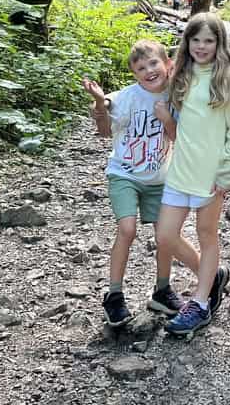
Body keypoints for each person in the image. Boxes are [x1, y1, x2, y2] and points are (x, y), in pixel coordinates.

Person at [82, 39, 201, 328]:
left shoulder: (176, 97)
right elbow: (105, 120)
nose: (148, 71)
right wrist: (100, 101)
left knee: (166, 235)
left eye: (152, 64)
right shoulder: (128, 97)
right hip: (124, 174)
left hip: (160, 178)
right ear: (134, 74)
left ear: (168, 65)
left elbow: (180, 140)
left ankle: (163, 289)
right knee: (127, 228)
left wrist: (167, 119)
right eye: (140, 68)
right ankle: (114, 295)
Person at [156, 12, 230, 338]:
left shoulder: (228, 79)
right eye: (196, 40)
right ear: (187, 42)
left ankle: (201, 302)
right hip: (180, 170)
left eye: (209, 40)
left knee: (207, 234)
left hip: (211, 175)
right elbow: (146, 80)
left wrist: (228, 172)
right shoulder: (180, 74)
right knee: (165, 235)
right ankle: (213, 276)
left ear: (219, 43)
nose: (202, 46)